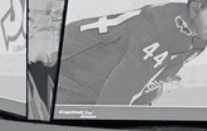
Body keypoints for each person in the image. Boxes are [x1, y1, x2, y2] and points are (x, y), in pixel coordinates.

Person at [56, 0, 207, 106]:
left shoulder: (197, 35)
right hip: (64, 74)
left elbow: (152, 79)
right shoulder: (165, 31)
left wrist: (143, 110)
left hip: (88, 86)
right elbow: (119, 91)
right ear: (196, 7)